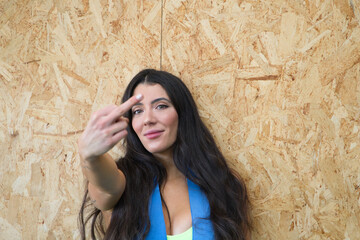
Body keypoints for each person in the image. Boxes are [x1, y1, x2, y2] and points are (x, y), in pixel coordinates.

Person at [78, 69, 251, 240]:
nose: (148, 119)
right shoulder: (123, 181)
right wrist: (90, 156)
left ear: (182, 114)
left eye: (161, 106)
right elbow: (104, 185)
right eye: (138, 111)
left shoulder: (220, 183)